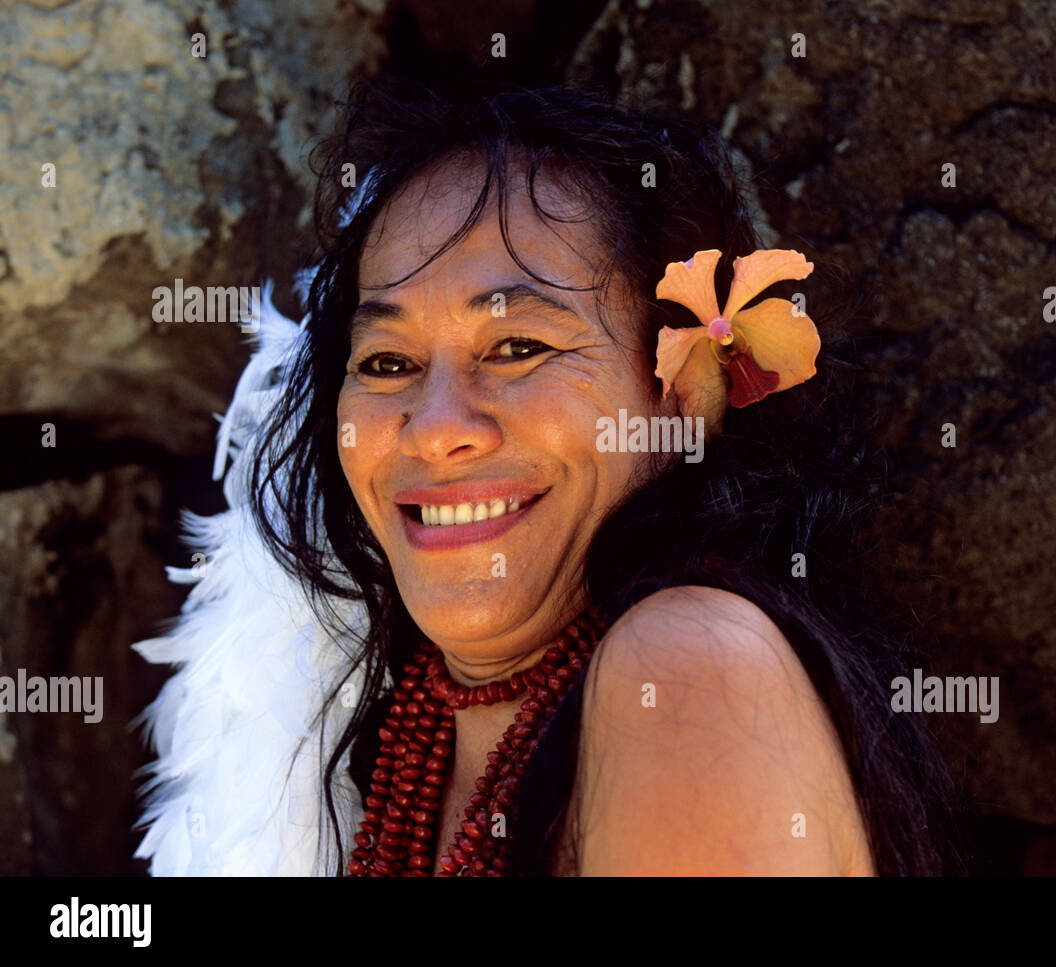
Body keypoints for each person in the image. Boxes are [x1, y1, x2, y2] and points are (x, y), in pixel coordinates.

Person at [133, 77, 966, 876]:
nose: (436, 428)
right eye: (386, 362)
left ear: (682, 394)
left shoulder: (686, 666)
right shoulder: (405, 734)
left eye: (518, 347)